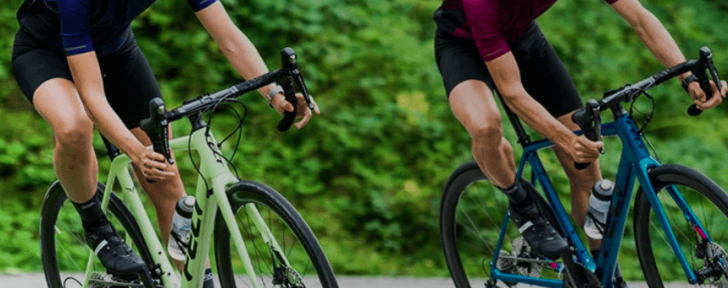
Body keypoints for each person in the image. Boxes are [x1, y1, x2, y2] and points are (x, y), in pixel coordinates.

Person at [11, 0, 320, 282]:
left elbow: (229, 37)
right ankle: (97, 227)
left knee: (167, 177)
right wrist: (134, 151)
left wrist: (275, 94)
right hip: (46, 54)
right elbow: (92, 96)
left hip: (116, 55)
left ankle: (200, 279)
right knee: (74, 127)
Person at [434, 0, 727, 281]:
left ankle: (604, 275)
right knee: (486, 126)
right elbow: (513, 93)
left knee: (586, 172)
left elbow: (640, 18)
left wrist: (688, 77)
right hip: (463, 47)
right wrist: (564, 138)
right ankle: (521, 203)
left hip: (524, 41)